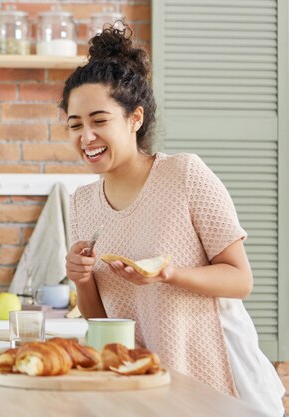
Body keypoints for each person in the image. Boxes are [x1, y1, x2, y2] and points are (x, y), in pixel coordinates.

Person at [63, 26, 285, 416]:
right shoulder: (82, 202)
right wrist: (81, 277)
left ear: (135, 118)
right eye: (75, 124)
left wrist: (168, 275)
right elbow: (102, 319)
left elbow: (240, 280)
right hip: (143, 378)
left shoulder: (184, 175)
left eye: (99, 120)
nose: (86, 136)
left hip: (216, 369)